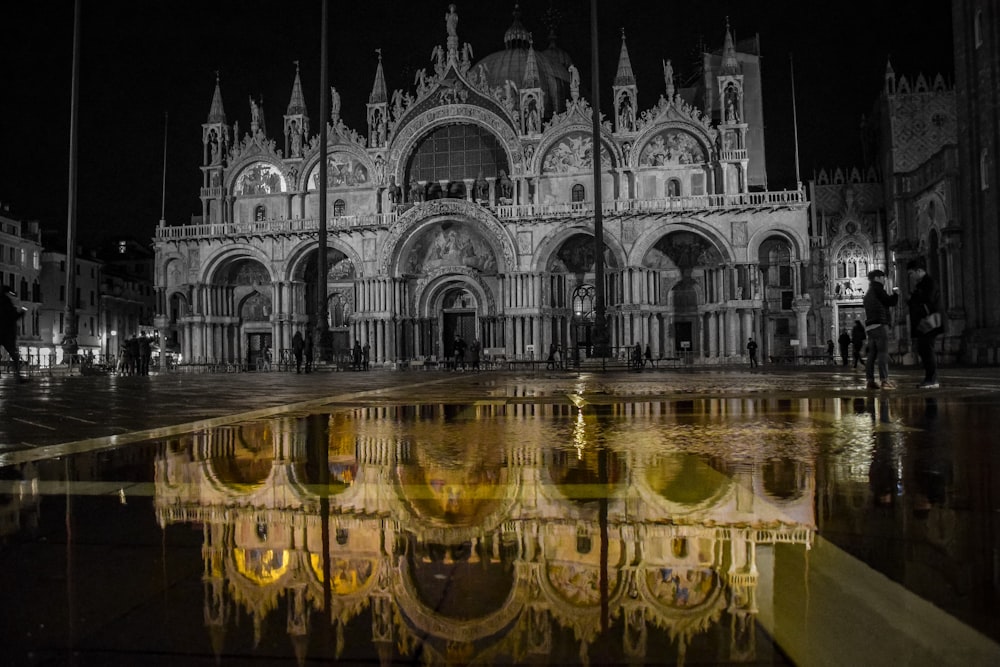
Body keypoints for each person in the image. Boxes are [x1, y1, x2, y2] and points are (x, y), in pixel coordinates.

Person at [907, 256, 943, 388]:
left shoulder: (929, 282)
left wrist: (913, 298)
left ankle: (932, 379)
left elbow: (928, 300)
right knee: (923, 349)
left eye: (911, 274)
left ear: (918, 271)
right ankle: (930, 378)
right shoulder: (922, 284)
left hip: (929, 320)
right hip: (925, 321)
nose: (910, 277)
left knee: (927, 349)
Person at [863, 269, 899, 390]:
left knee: (872, 354)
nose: (884, 280)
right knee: (882, 353)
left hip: (870, 326)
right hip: (879, 324)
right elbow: (889, 302)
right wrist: (896, 294)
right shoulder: (878, 289)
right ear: (877, 278)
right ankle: (884, 380)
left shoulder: (868, 293)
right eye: (883, 277)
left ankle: (870, 381)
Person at [0, 289, 26, 381]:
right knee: (14, 355)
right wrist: (22, 311)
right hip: (7, 334)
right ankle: (17, 376)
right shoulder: (7, 303)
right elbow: (13, 317)